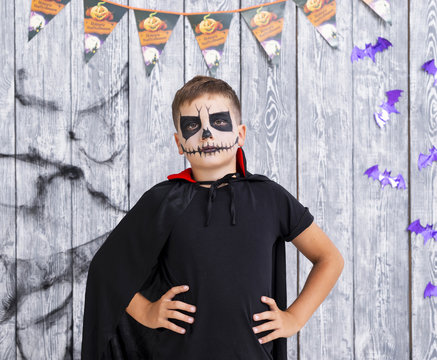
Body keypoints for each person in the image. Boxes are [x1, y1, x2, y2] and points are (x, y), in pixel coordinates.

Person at [81, 75, 344, 360]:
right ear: (179, 142)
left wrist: (295, 317)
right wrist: (146, 310)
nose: (206, 134)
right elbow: (106, 271)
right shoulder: (162, 202)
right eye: (192, 126)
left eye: (219, 122)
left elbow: (329, 258)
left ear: (240, 134)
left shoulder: (270, 197)